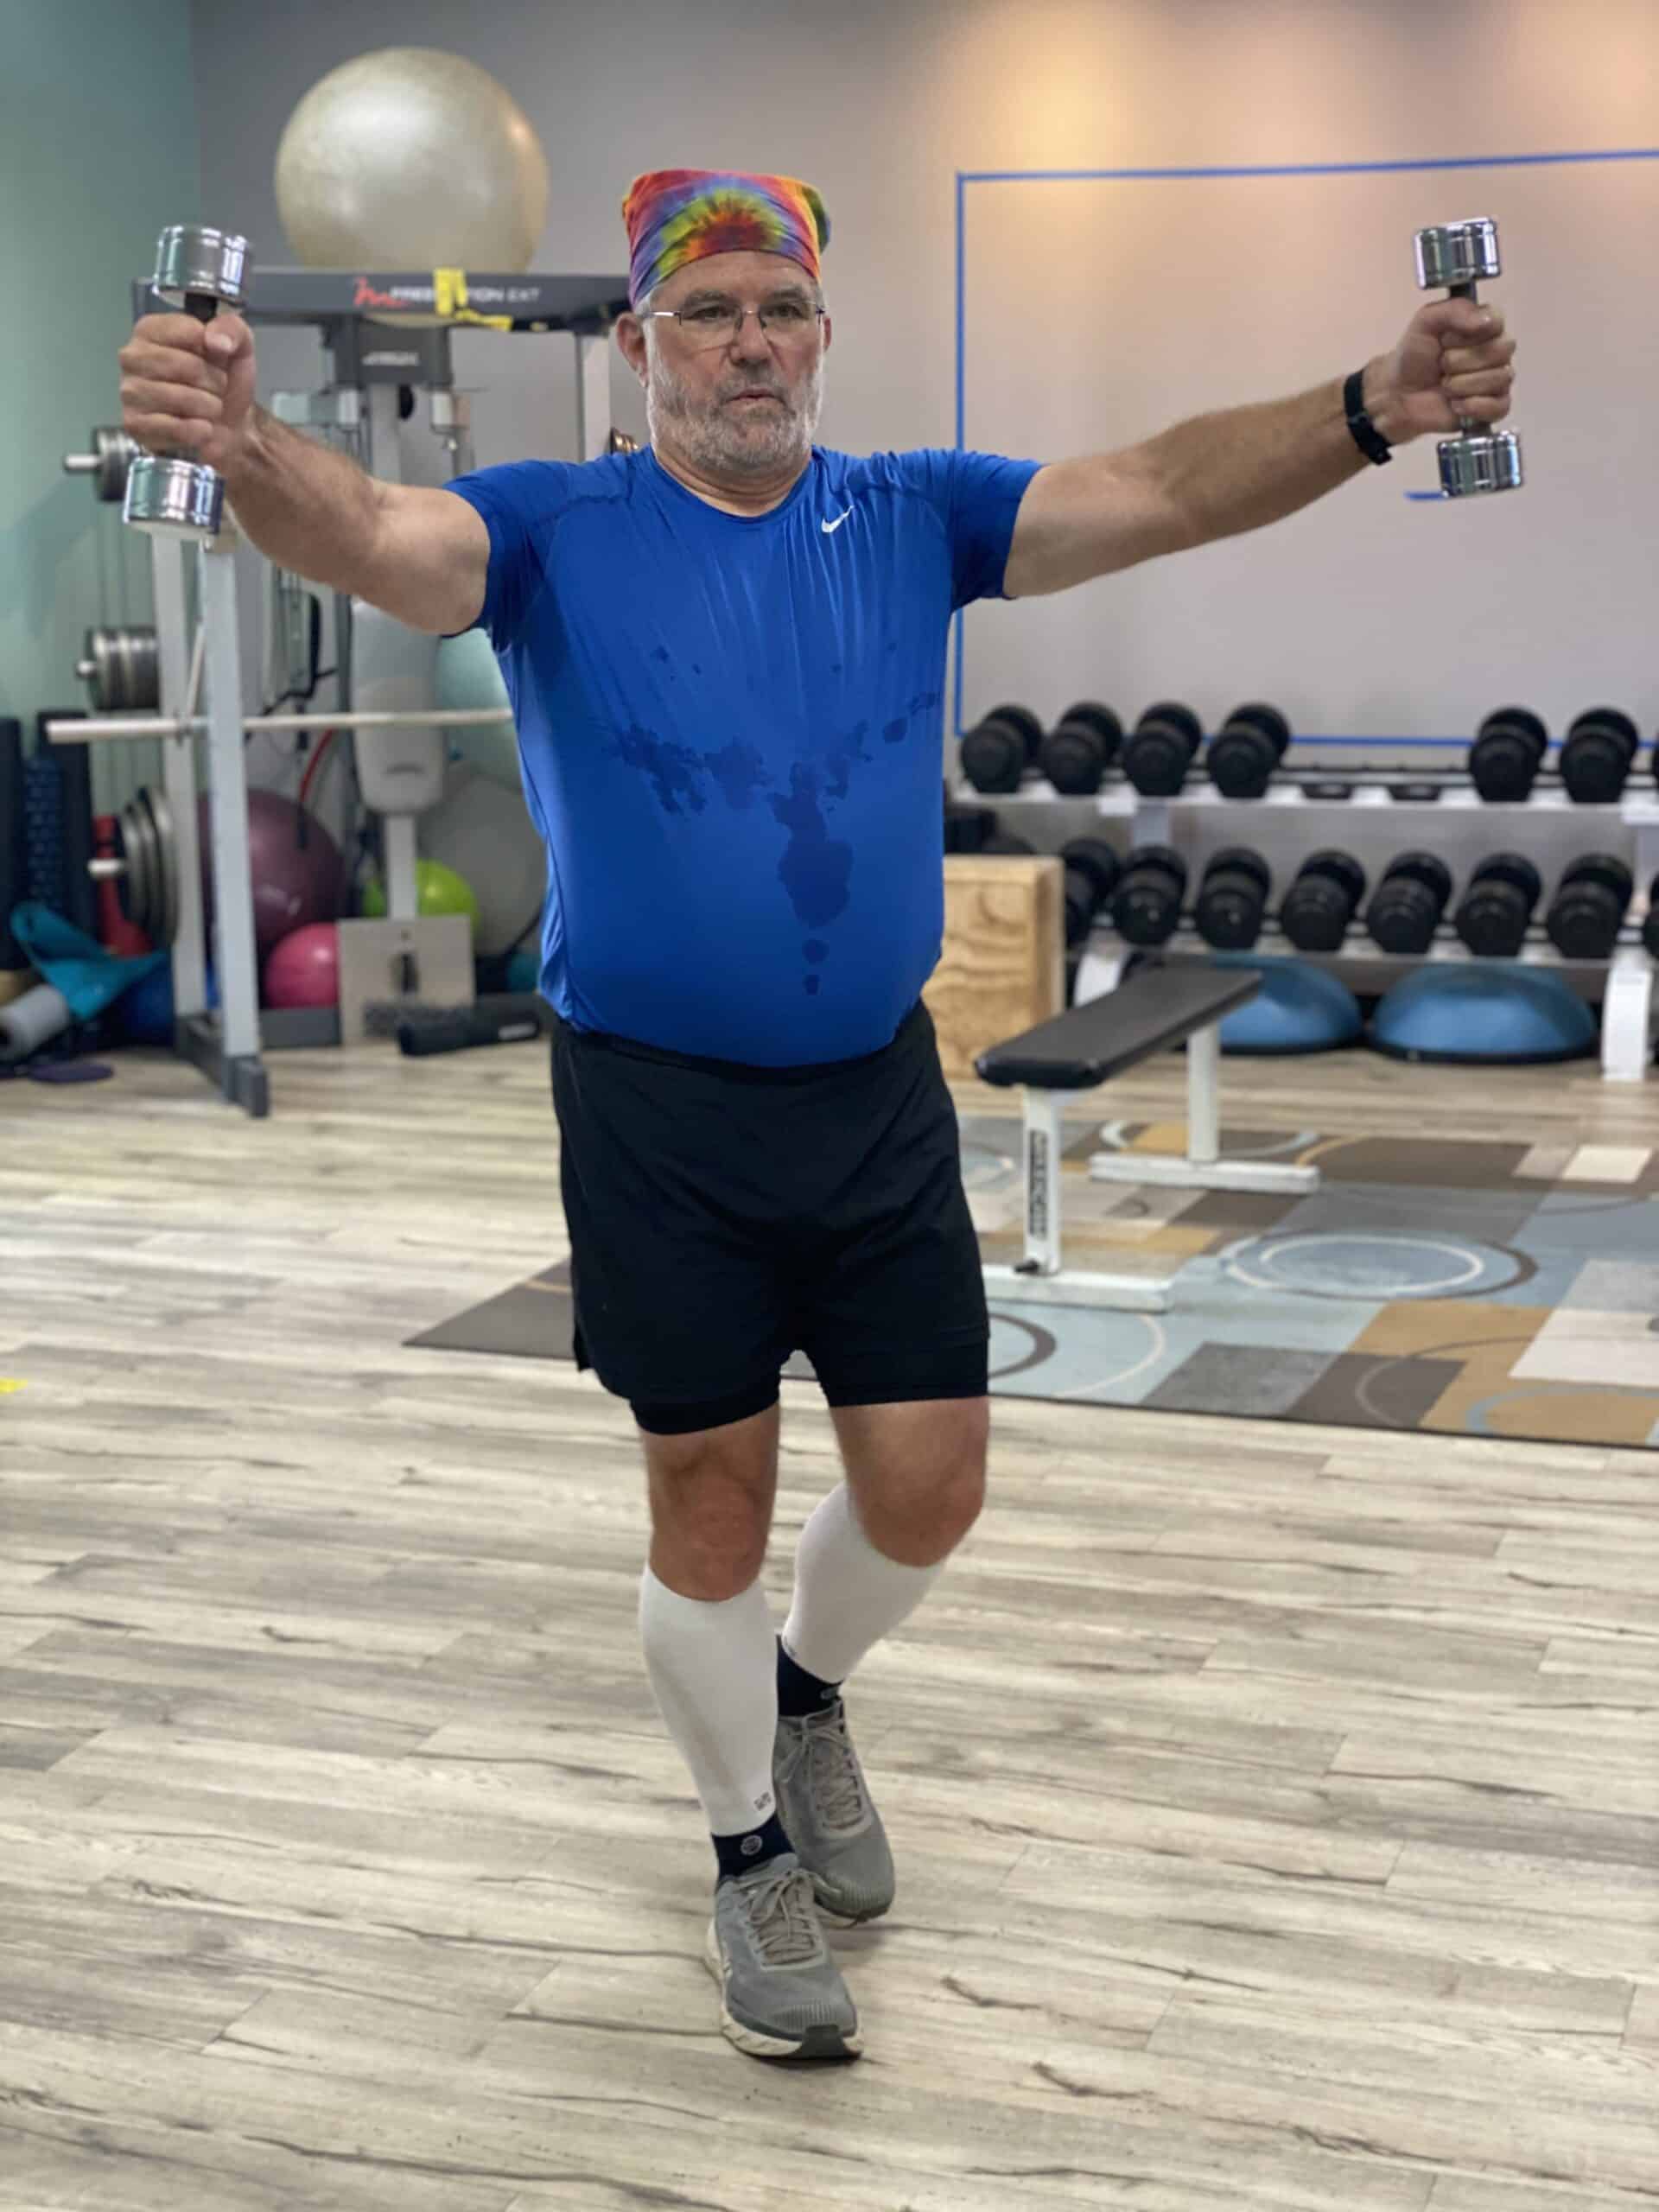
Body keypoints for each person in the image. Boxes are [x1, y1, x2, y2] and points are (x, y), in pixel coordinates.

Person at [118, 166, 1517, 2065]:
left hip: (869, 1089)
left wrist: (1376, 402)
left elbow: (1170, 483)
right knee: (711, 1492)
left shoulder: (913, 515)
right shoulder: (547, 531)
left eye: (779, 306)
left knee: (932, 1483)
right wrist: (246, 439)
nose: (750, 341)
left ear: (823, 334)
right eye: (708, 313)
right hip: (653, 1105)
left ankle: (805, 1690)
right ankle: (744, 1843)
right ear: (637, 346)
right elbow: (372, 532)